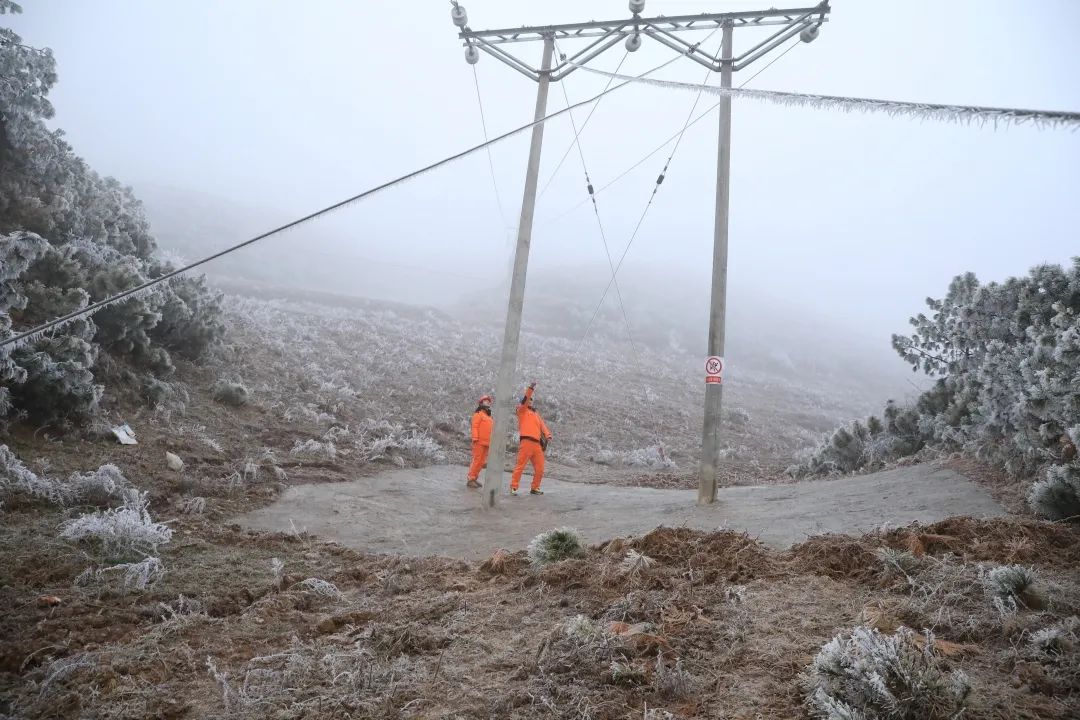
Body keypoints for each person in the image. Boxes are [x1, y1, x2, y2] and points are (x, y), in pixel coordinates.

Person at [510, 381, 552, 496]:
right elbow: (525, 398)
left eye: (532, 400)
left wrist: (547, 434)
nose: (531, 401)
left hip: (537, 445)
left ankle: (535, 488)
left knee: (540, 468)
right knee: (521, 465)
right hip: (526, 442)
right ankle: (513, 486)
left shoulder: (536, 414)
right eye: (529, 400)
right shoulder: (521, 411)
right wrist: (531, 388)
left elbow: (542, 425)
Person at [467, 395, 493, 488]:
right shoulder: (478, 414)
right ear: (481, 403)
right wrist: (475, 438)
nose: (488, 402)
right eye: (486, 401)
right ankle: (471, 479)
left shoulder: (488, 416)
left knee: (481, 462)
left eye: (488, 401)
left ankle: (474, 478)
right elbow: (474, 427)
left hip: (487, 443)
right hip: (479, 442)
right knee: (477, 460)